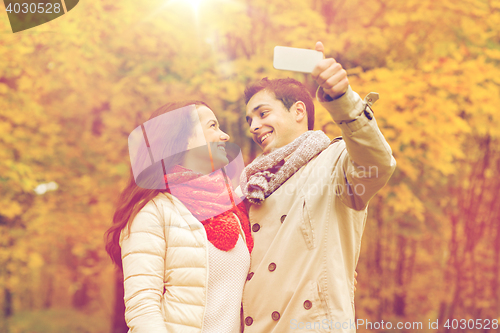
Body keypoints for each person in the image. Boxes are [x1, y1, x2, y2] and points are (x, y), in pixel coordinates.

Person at [239, 42, 397, 332]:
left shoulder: (335, 163)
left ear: (299, 111)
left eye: (262, 114)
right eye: (249, 119)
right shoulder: (250, 188)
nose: (253, 126)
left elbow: (379, 163)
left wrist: (343, 99)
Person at [104, 100, 253, 333]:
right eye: (212, 126)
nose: (224, 136)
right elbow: (143, 310)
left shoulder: (233, 211)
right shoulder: (153, 213)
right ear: (182, 140)